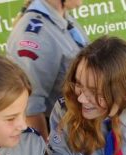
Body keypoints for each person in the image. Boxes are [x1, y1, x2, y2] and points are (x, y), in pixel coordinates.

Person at [6, 0, 88, 140]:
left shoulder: (63, 19)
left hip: (79, 129)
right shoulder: (33, 33)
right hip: (61, 136)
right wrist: (45, 154)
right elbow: (30, 106)